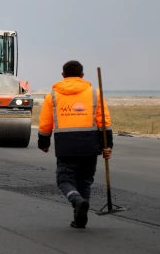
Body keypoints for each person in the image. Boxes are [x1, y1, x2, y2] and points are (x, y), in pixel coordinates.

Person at [38, 60, 113, 229]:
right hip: (90, 144)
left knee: (64, 180)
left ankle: (77, 201)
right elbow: (104, 122)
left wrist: (43, 142)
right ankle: (80, 217)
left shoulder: (53, 94)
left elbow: (45, 122)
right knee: (85, 180)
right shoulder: (95, 93)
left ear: (63, 75)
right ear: (82, 75)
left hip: (66, 145)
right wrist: (107, 146)